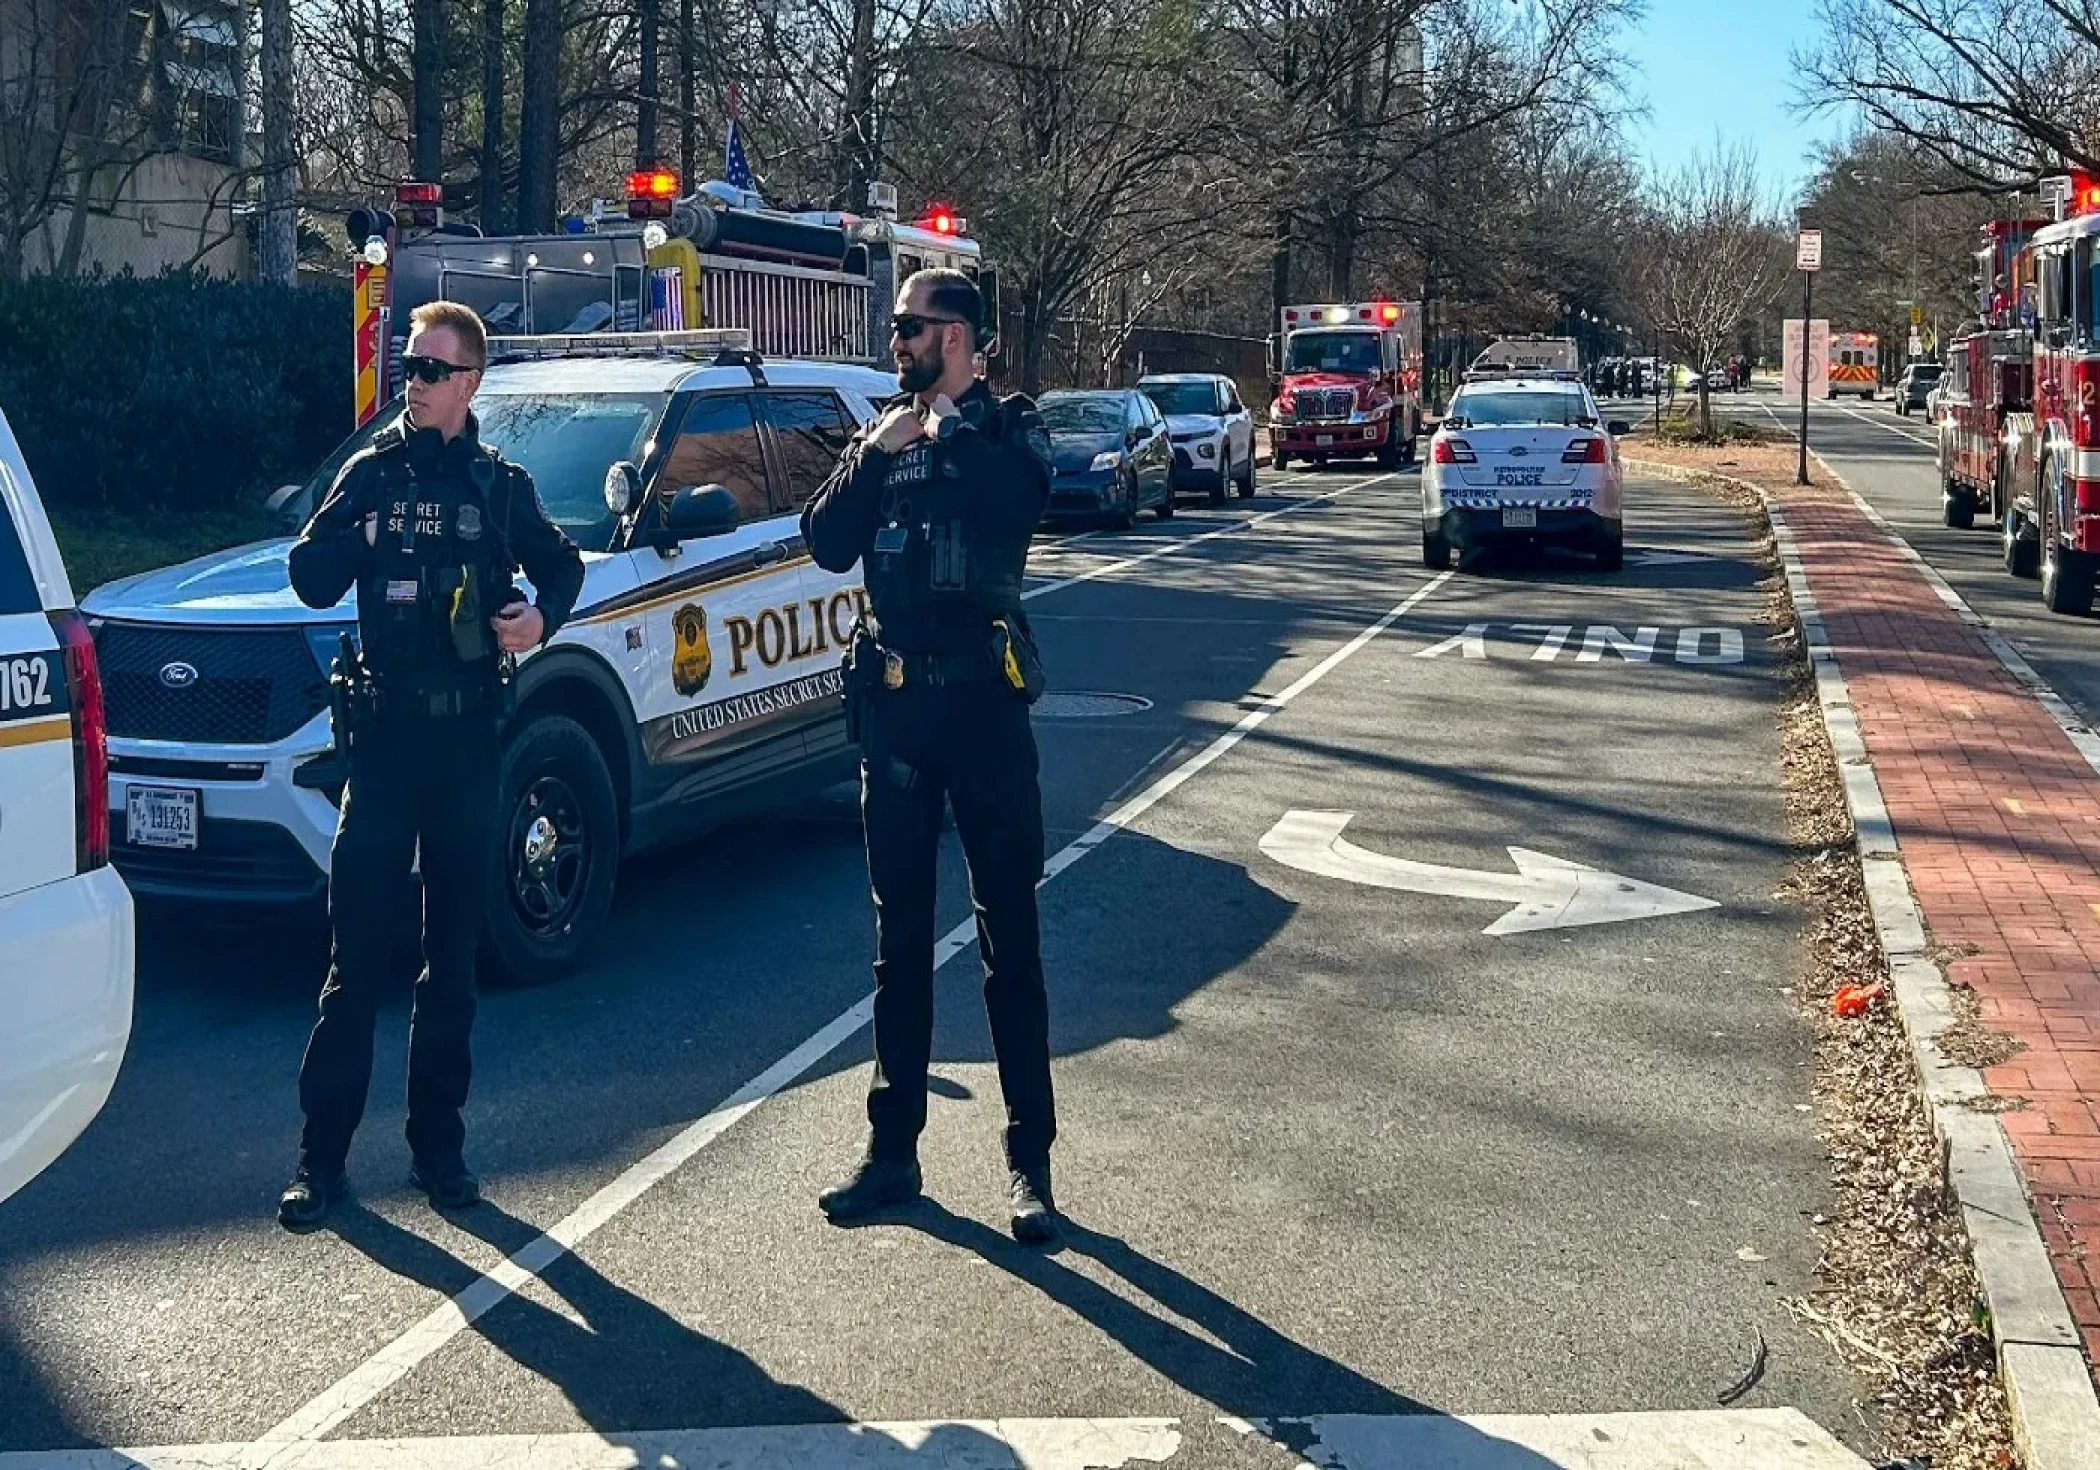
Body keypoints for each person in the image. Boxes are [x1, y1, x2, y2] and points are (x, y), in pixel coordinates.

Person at [277, 300, 585, 1229]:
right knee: (355, 953)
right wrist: (361, 536)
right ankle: (319, 1161)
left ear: (470, 383)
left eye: (430, 369)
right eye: (408, 366)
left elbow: (562, 569)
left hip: (463, 749)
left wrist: (539, 622)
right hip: (383, 746)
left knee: (450, 955)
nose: (411, 382)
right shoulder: (371, 476)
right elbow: (308, 571)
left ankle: (437, 1149)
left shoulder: (497, 487)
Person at [800, 268, 1061, 1244]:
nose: (896, 341)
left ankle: (1029, 1163)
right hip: (901, 710)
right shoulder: (883, 433)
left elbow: (1019, 509)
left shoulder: (1009, 427)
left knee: (1009, 944)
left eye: (908, 328)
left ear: (954, 336)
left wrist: (950, 432)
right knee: (898, 942)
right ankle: (891, 1151)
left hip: (985, 710)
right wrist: (878, 453)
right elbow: (824, 540)